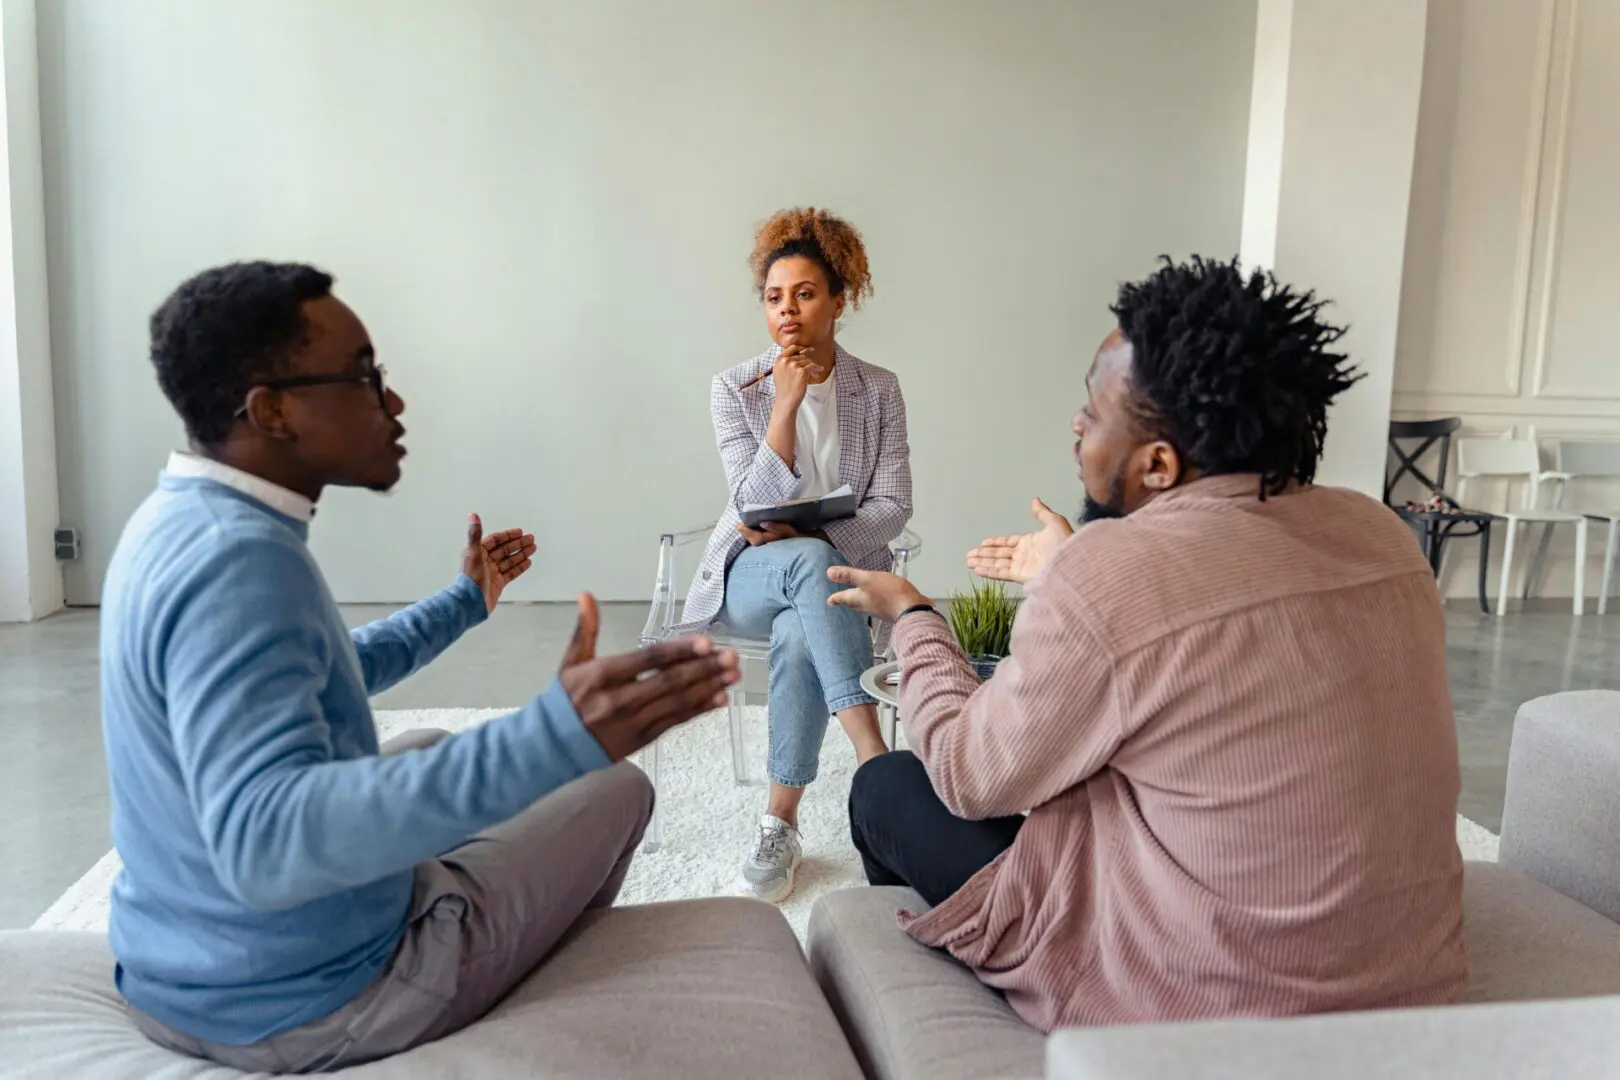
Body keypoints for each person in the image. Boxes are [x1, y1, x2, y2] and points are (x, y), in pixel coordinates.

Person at [102, 261, 740, 1073]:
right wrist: (556, 737)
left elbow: (317, 673)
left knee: (433, 742)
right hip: (305, 1002)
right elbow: (264, 839)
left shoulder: (179, 521)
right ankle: (506, 993)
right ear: (272, 412)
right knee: (617, 787)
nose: (393, 402)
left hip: (178, 967)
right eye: (364, 376)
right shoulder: (242, 561)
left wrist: (463, 602)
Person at [827, 255, 1468, 1031]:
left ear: (1159, 464)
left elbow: (969, 774)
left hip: (1210, 1004)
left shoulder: (1113, 574)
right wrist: (1073, 572)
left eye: (1093, 414)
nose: (1076, 426)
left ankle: (945, 1029)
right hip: (1410, 988)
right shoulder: (1383, 535)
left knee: (889, 785)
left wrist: (917, 616)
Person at [683, 208, 913, 902]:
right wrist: (784, 406)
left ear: (839, 301)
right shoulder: (736, 388)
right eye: (774, 297)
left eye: (805, 294)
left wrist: (815, 542)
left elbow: (894, 504)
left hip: (829, 582)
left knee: (801, 623)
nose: (788, 310)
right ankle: (876, 763)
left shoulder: (878, 390)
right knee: (804, 574)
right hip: (747, 577)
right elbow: (751, 509)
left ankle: (779, 823)